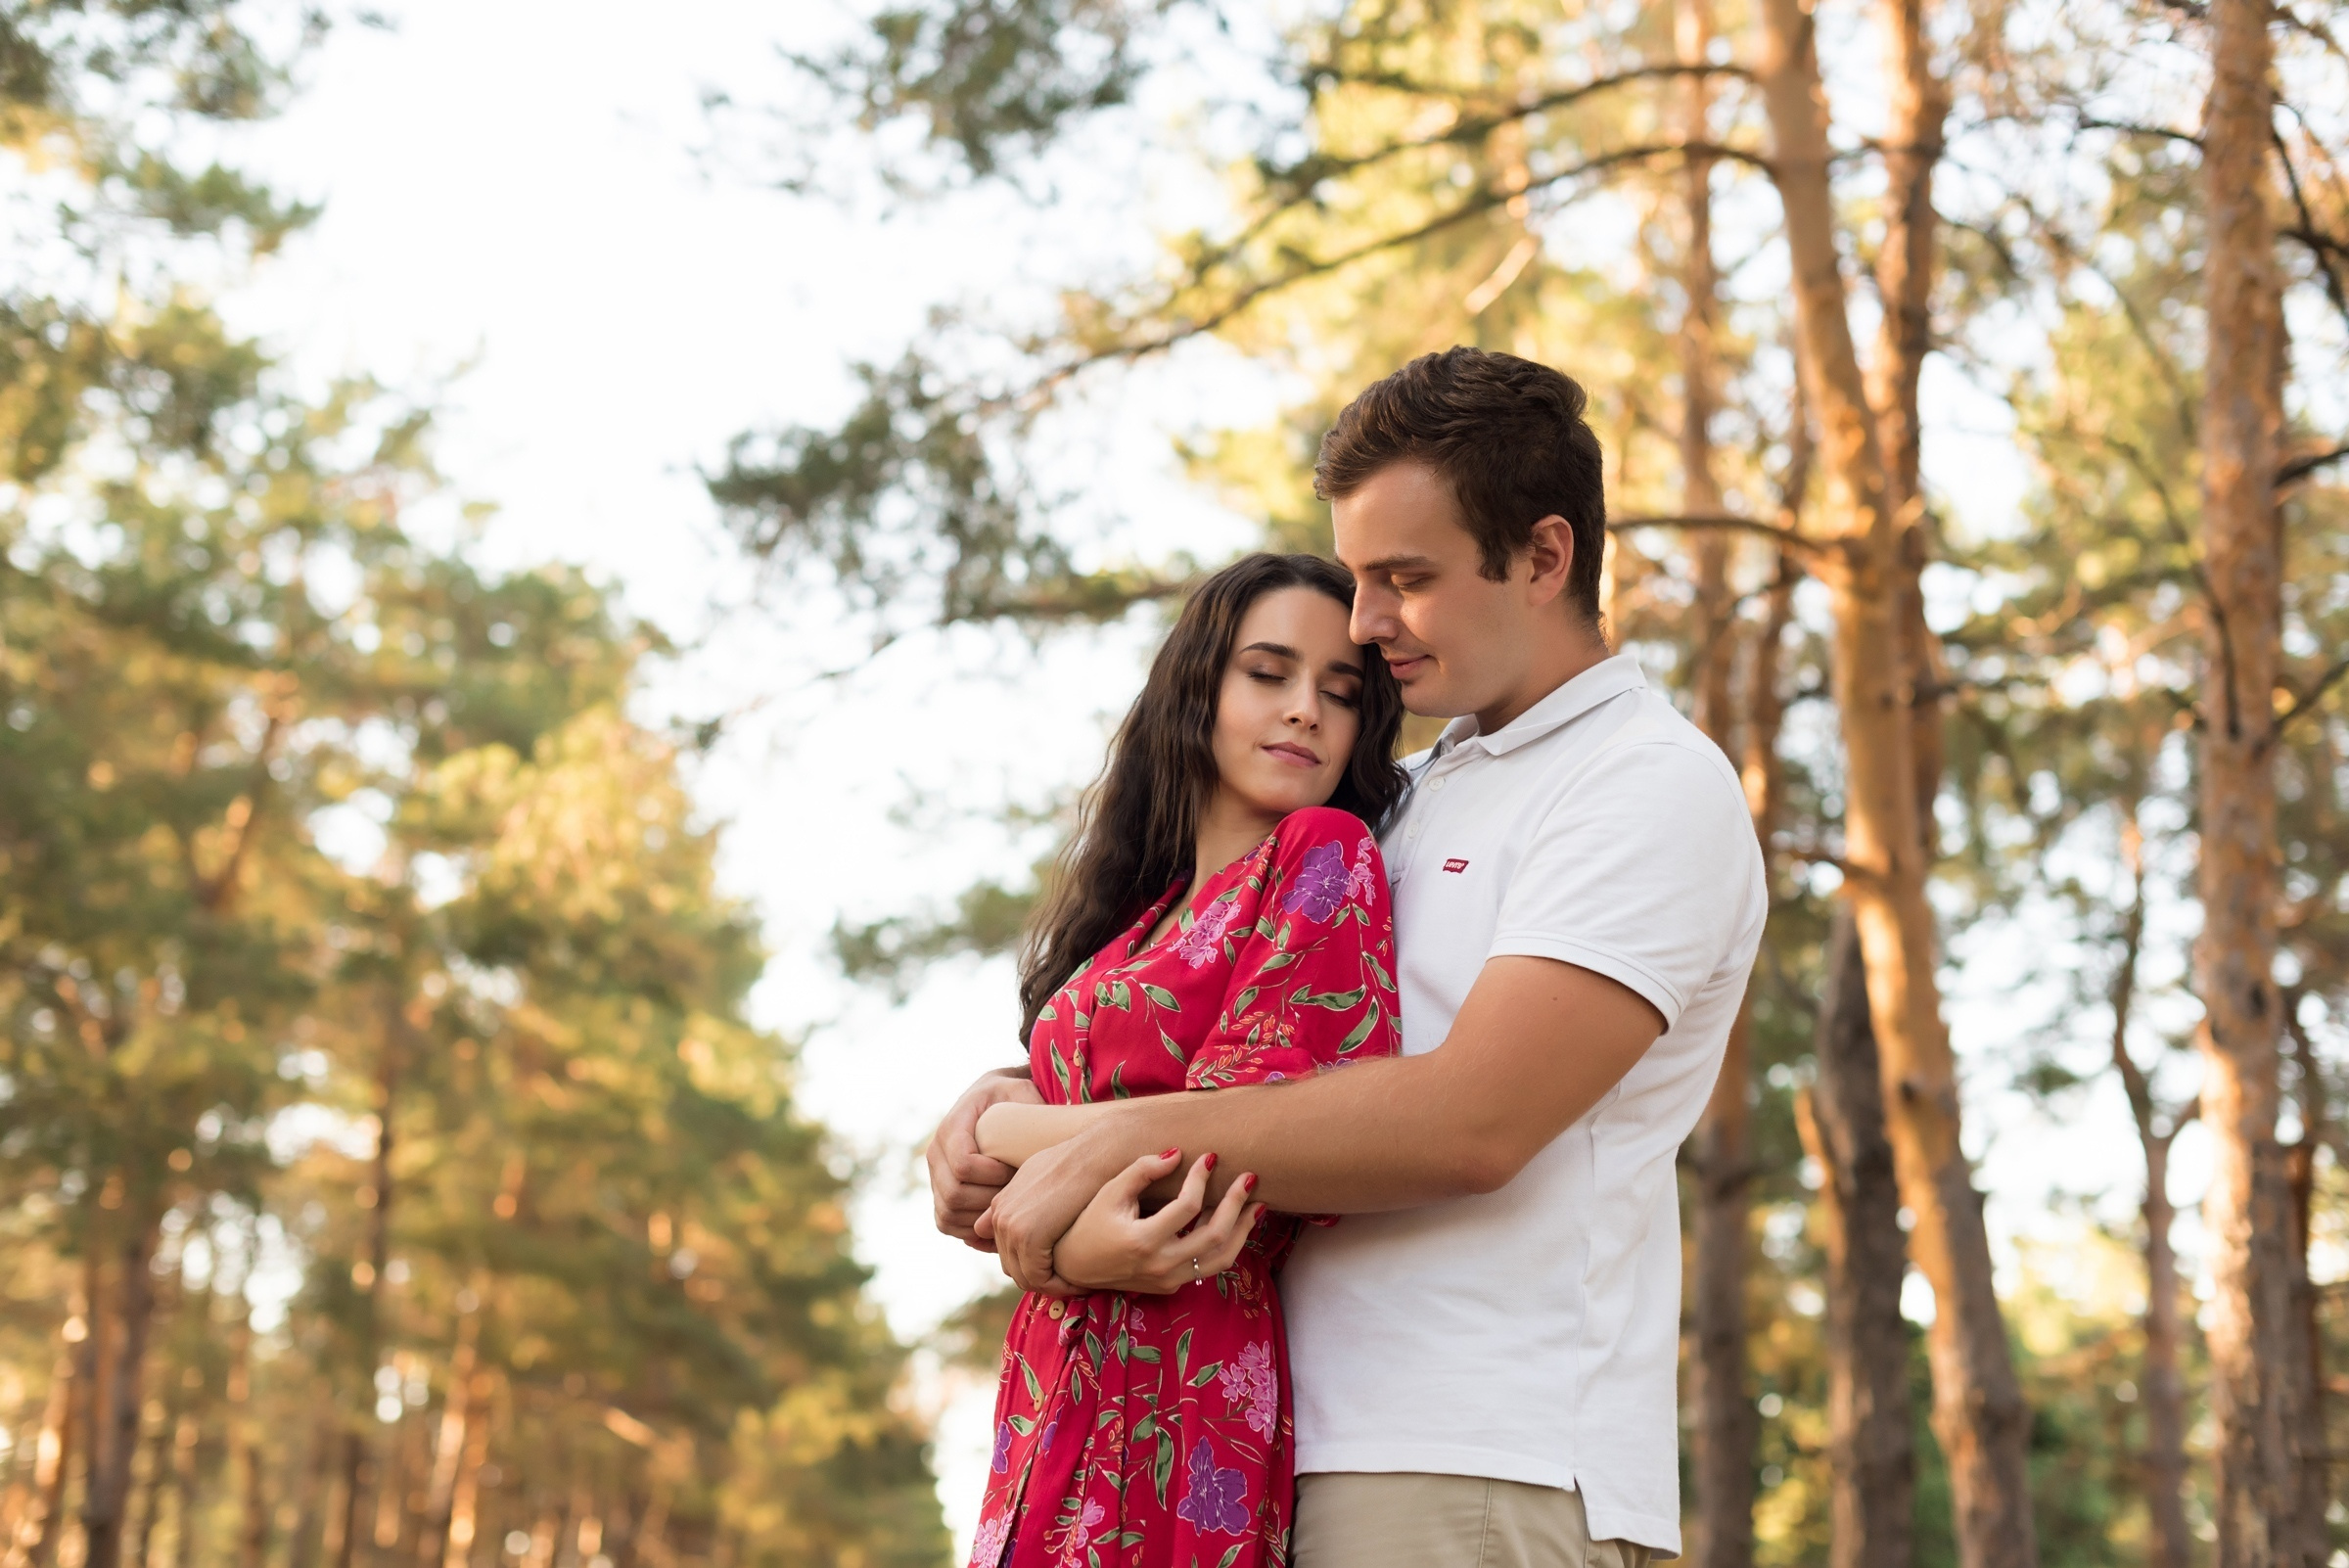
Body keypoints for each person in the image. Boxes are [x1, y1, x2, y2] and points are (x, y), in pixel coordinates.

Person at [933, 346, 1769, 1568]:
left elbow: (1465, 1126)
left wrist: (1055, 1145)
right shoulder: (1400, 800)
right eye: (1361, 575)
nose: (1367, 623)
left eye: (1405, 579)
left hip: (1475, 1462)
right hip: (1266, 1447)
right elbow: (1208, 1048)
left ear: (1544, 557)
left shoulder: (1644, 785)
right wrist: (1010, 1101)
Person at [962, 551, 1411, 1568]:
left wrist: (995, 1129)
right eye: (1269, 672)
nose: (1306, 710)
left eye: (1341, 693)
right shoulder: (1134, 923)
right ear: (1199, 686)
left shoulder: (1323, 857)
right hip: (1051, 1378)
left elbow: (1231, 1137)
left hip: (1189, 1371)